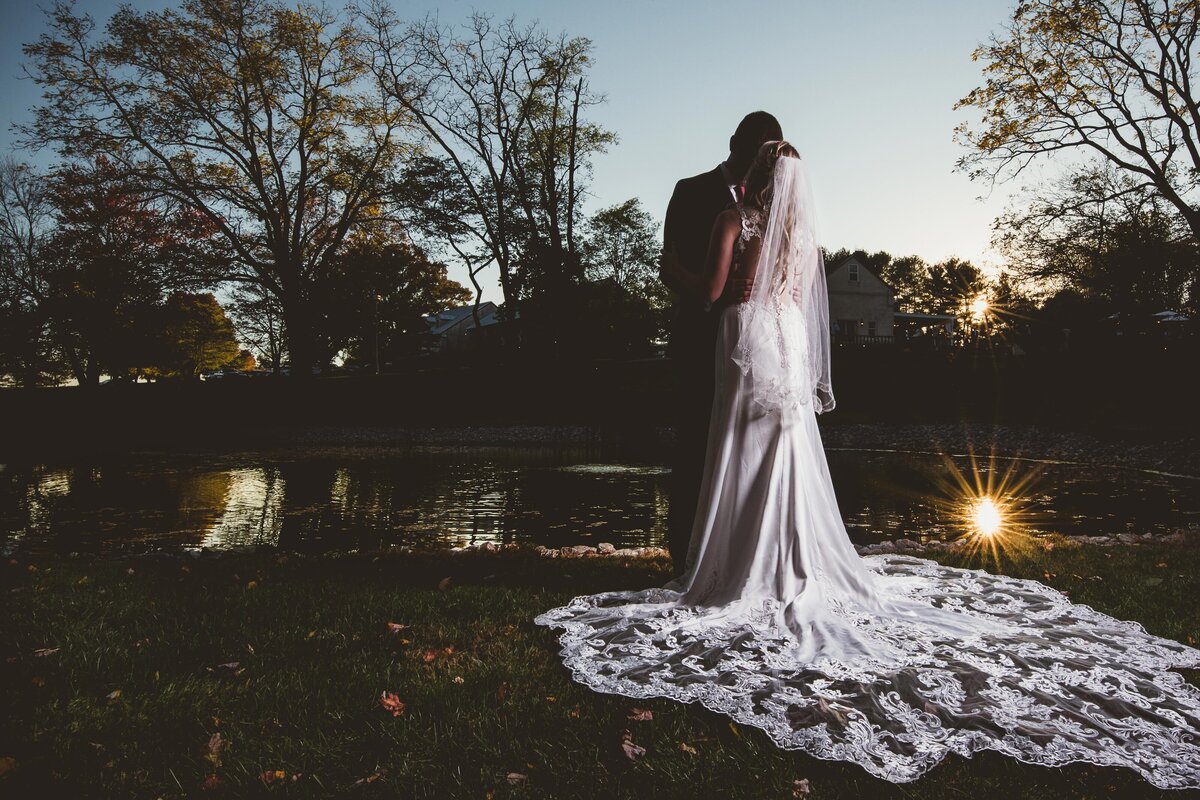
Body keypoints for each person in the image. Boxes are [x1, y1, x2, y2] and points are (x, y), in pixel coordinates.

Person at [535, 141, 1200, 788]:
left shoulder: (733, 220)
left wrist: (672, 268)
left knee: (740, 456)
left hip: (746, 338)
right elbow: (796, 303)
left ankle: (739, 566)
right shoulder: (804, 240)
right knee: (786, 456)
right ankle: (790, 562)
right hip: (787, 345)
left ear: (753, 174)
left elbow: (711, 292)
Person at [660, 111, 782, 579]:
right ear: (734, 141)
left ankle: (743, 559)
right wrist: (707, 288)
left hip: (757, 347)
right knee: (695, 445)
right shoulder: (690, 191)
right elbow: (669, 262)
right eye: (753, 144)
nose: (758, 154)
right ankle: (684, 555)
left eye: (767, 148)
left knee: (750, 449)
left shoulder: (776, 208)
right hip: (700, 338)